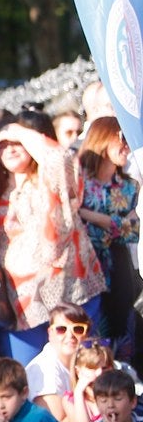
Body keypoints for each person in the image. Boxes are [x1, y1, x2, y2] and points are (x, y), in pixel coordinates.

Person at [0, 111, 104, 363]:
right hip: (23, 307)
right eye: (2, 144)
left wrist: (17, 130)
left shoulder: (50, 177)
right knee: (29, 381)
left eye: (16, 143)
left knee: (83, 371)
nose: (9, 148)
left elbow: (60, 157)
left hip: (72, 294)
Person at [75, 116, 139, 349]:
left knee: (120, 330)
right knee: (90, 330)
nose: (127, 146)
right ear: (103, 138)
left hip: (118, 264)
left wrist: (89, 215)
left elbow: (132, 230)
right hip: (86, 266)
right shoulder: (78, 181)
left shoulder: (130, 186)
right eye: (121, 138)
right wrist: (116, 223)